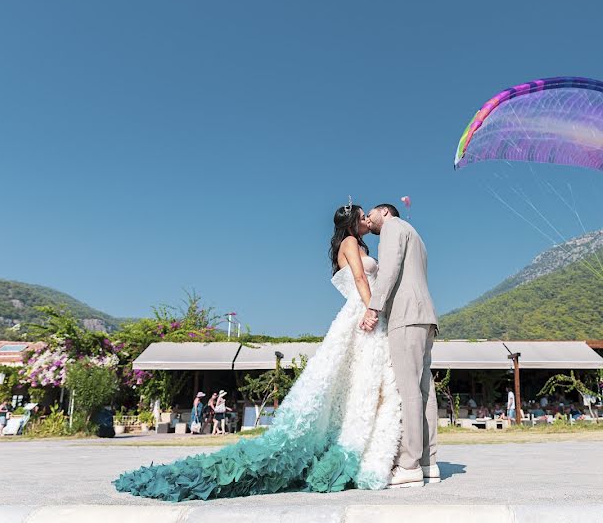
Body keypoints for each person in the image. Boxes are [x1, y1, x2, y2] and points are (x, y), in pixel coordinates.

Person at [115, 201, 401, 501]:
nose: (367, 219)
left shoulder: (361, 243)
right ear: (353, 222)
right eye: (362, 216)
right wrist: (372, 308)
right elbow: (358, 278)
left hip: (367, 311)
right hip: (361, 311)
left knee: (364, 382)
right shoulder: (350, 242)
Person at [364, 203, 439, 488]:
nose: (367, 220)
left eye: (369, 214)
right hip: (424, 315)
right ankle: (428, 462)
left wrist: (374, 307)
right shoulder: (416, 235)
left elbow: (391, 268)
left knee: (408, 390)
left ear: (384, 211)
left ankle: (408, 464)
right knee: (424, 391)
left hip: (405, 316)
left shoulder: (393, 227)